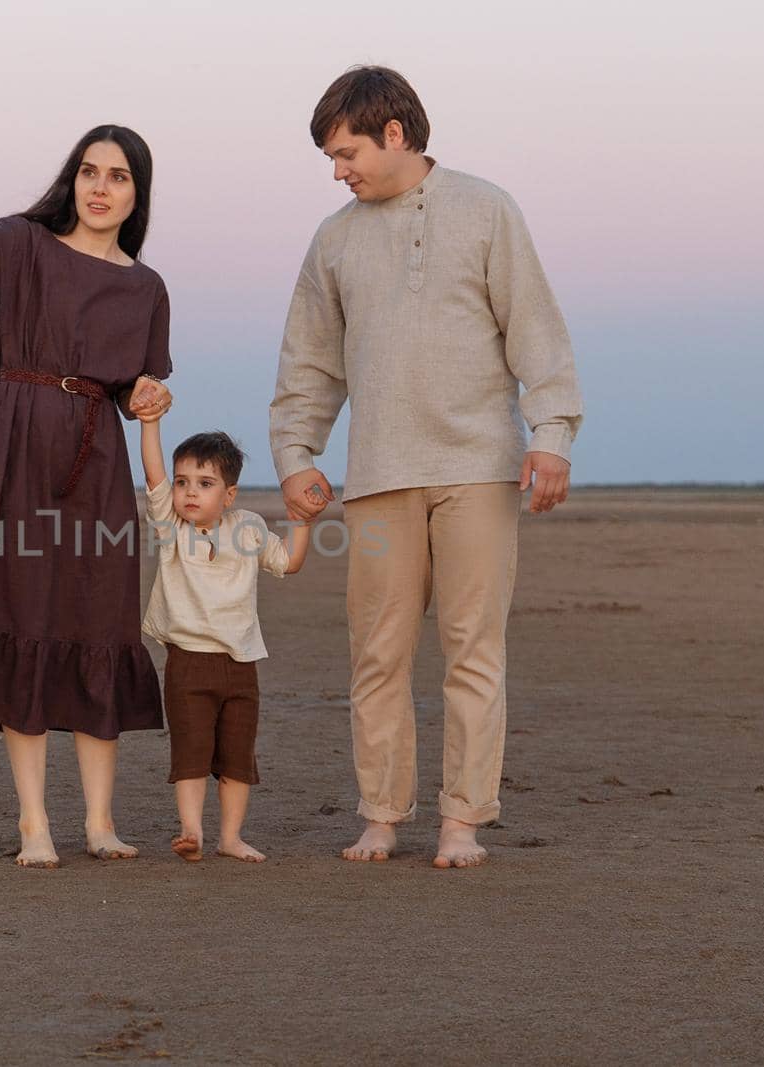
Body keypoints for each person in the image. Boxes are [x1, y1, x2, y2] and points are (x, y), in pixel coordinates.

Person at [269, 66, 583, 868]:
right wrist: (298, 453)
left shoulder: (487, 209)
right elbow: (309, 362)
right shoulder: (332, 239)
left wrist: (552, 432)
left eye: (346, 153)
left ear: (395, 134)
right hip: (376, 476)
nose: (339, 172)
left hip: (480, 466)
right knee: (378, 651)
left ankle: (462, 822)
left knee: (474, 646)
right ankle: (381, 812)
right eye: (333, 160)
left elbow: (536, 329)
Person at [0, 125, 175, 869]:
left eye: (118, 176)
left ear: (136, 193)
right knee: (21, 611)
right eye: (89, 171)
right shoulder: (27, 243)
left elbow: (138, 387)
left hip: (96, 458)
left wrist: (150, 392)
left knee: (97, 615)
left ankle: (101, 821)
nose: (99, 186)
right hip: (18, 440)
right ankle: (33, 823)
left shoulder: (145, 288)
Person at [138, 422, 314, 863]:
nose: (189, 493)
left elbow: (288, 563)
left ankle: (231, 837)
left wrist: (303, 521)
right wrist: (149, 423)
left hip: (241, 665)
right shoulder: (170, 527)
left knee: (237, 760)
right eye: (183, 483)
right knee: (192, 754)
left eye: (204, 483)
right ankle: (192, 831)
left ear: (229, 495)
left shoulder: (249, 527)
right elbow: (154, 474)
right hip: (188, 664)